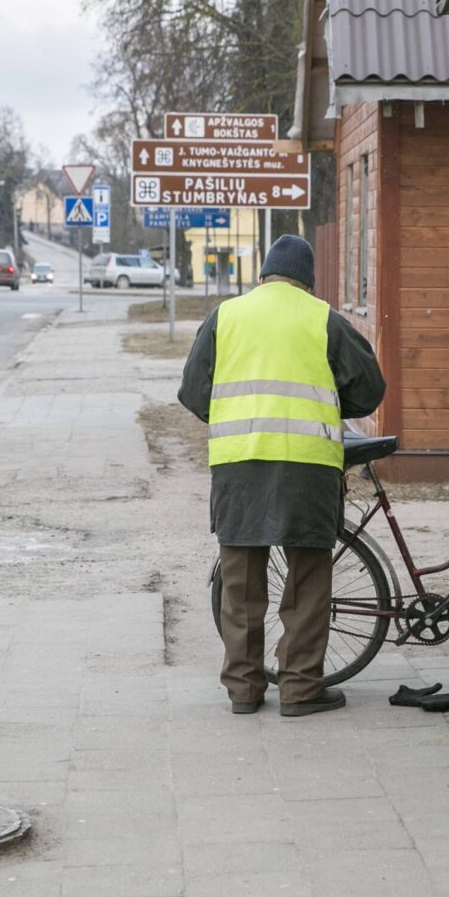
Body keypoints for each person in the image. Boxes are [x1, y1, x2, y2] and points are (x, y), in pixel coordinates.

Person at [179, 235, 385, 716]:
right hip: (307, 466)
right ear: (307, 279)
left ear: (265, 274)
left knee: (241, 582)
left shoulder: (225, 317)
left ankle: (244, 689)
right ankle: (299, 687)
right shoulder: (323, 319)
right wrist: (332, 404)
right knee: (308, 578)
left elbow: (193, 391)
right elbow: (369, 390)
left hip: (239, 465)